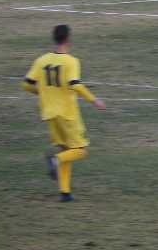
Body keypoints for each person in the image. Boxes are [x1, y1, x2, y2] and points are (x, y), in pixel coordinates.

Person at [22, 24, 107, 202]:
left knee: (66, 149)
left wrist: (43, 92)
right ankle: (55, 160)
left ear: (54, 38)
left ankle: (65, 193)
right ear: (68, 39)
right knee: (80, 150)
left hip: (49, 113)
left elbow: (26, 84)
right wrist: (94, 100)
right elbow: (75, 84)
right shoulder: (71, 61)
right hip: (67, 114)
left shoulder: (42, 60)